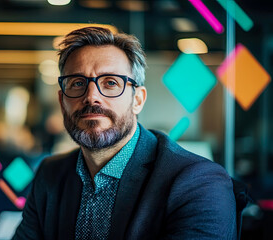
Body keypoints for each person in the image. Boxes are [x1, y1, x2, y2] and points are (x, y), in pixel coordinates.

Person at [13, 27, 237, 240]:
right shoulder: (50, 174)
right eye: (78, 83)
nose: (92, 97)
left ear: (137, 100)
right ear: (62, 102)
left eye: (111, 82)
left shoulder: (199, 183)